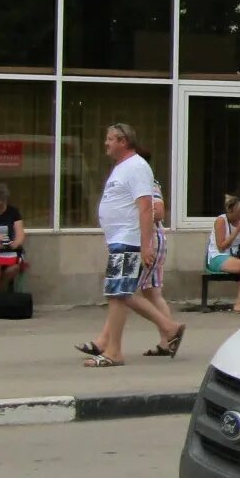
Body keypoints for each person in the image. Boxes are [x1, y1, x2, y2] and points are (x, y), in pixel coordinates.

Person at [80, 122, 184, 367]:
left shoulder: (136, 167)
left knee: (119, 293)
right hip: (119, 240)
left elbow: (147, 207)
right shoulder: (123, 167)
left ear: (123, 141)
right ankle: (169, 328)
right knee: (119, 294)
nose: (106, 143)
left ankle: (115, 352)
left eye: (110, 139)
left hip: (128, 240)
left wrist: (146, 245)